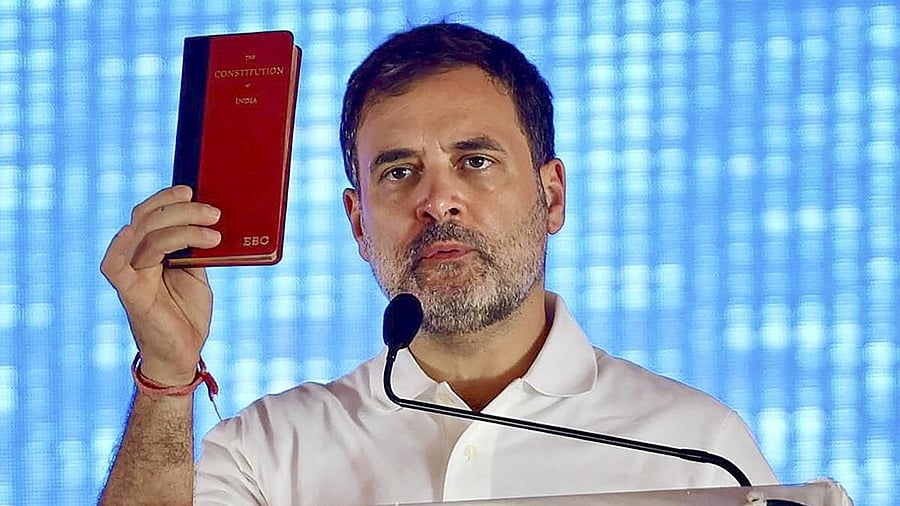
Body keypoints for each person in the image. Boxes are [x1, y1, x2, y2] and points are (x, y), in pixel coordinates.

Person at [99, 22, 776, 505]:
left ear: (552, 196)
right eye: (398, 172)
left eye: (474, 161)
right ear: (359, 224)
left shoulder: (698, 446)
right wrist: (167, 375)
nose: (437, 200)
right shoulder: (269, 452)